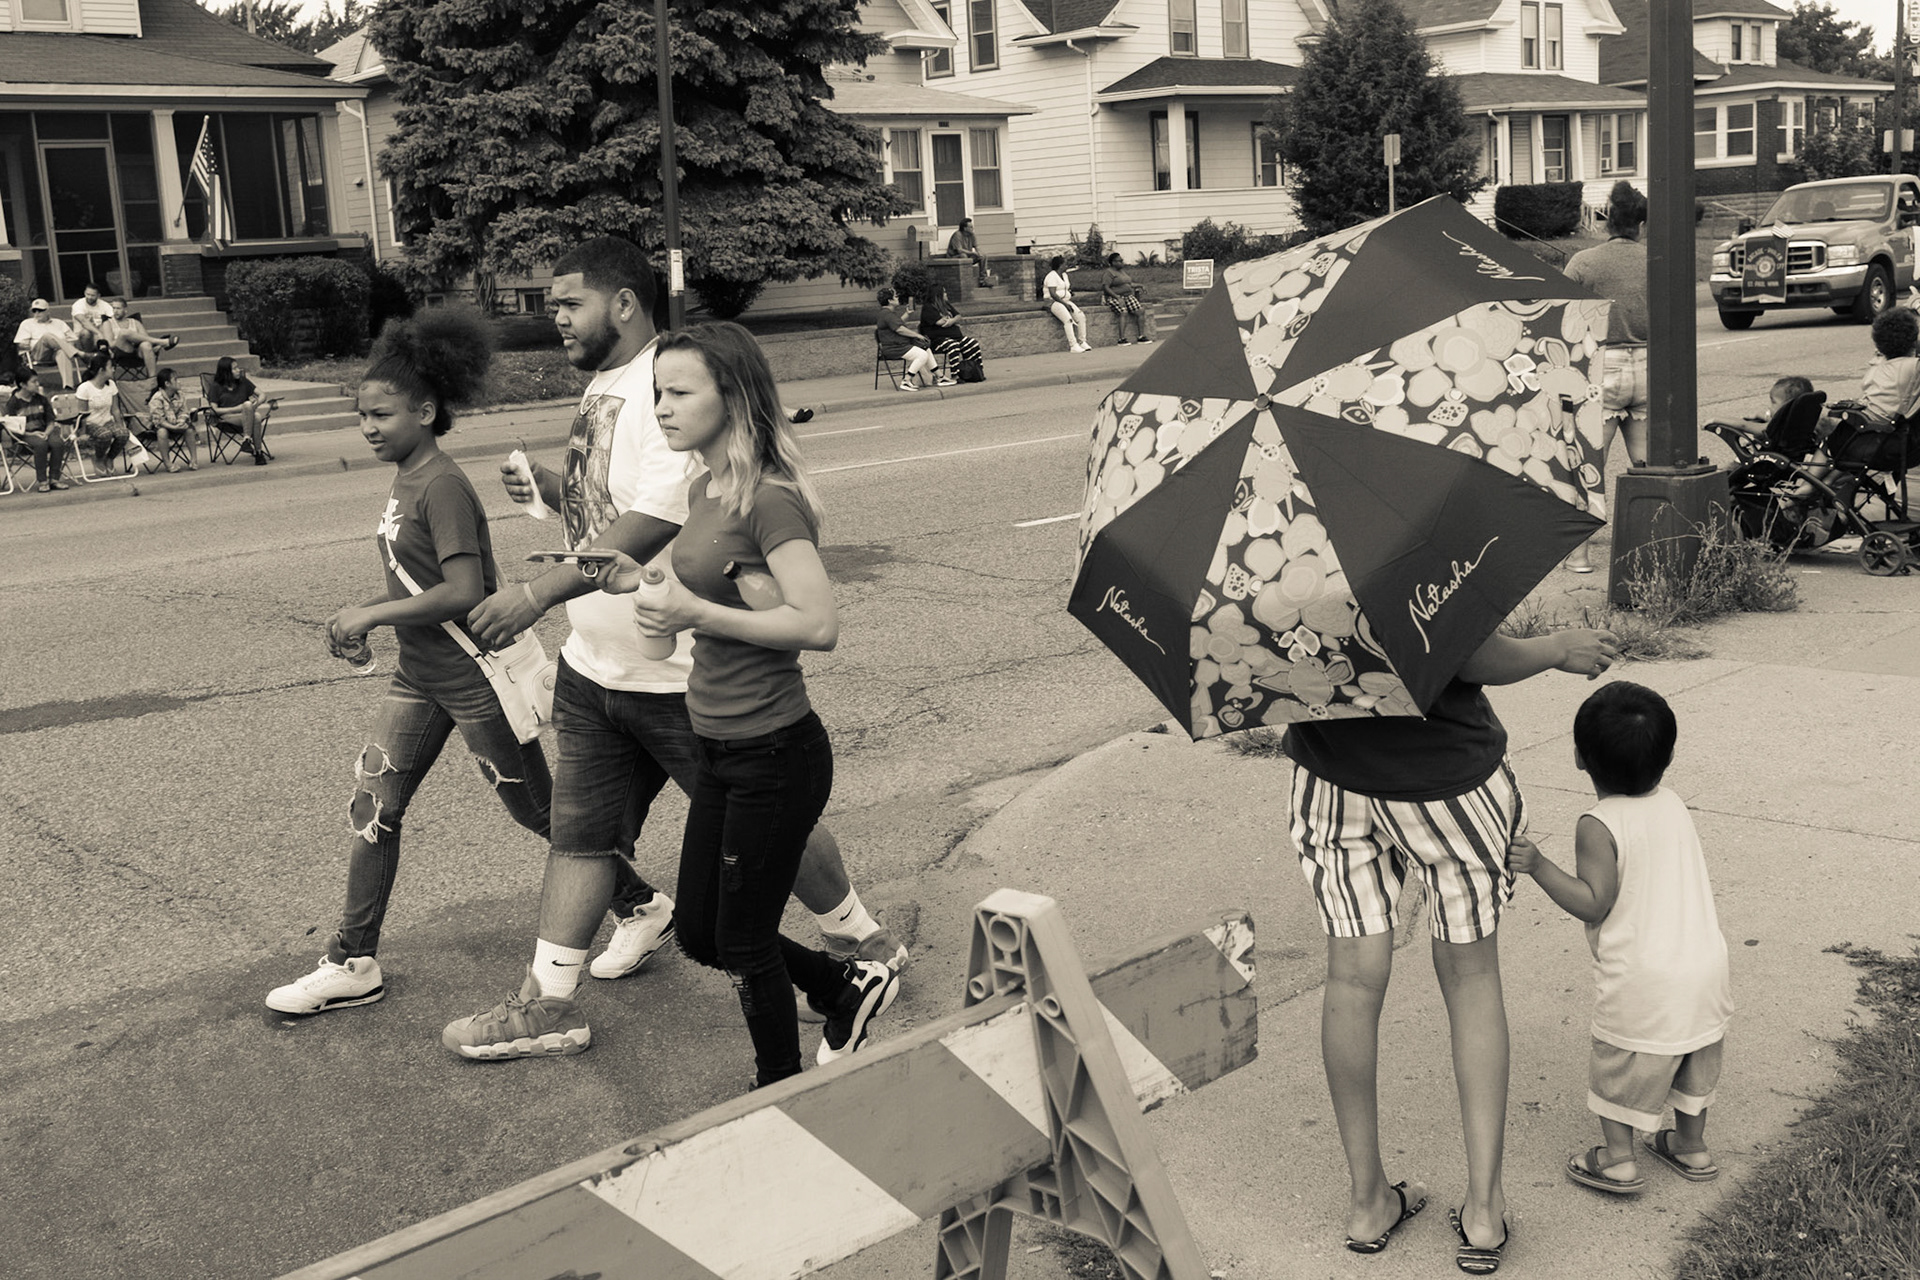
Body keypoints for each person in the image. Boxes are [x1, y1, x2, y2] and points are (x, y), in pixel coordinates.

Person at [441, 236, 905, 1062]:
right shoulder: (620, 396)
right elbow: (637, 518)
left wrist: (542, 596)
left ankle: (854, 957)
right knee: (589, 839)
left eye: (569, 301)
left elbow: (721, 561)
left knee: (757, 868)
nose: (555, 317)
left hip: (691, 688)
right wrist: (555, 495)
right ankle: (547, 1002)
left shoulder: (726, 449)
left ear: (624, 303)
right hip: (599, 663)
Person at [601, 321, 901, 1087]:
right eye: (657, 392)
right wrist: (642, 586)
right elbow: (710, 597)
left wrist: (694, 615)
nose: (662, 407)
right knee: (703, 934)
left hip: (775, 752)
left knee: (744, 939)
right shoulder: (705, 487)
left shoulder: (769, 498)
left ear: (731, 396)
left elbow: (817, 624)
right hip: (721, 746)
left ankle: (781, 1091)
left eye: (679, 392)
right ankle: (844, 987)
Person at [1285, 623, 1621, 1272]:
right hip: (1446, 780)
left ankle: (1367, 1202)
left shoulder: (1264, 544)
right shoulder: (1397, 524)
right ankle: (1485, 1213)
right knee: (1470, 979)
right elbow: (1471, 656)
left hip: (1329, 779)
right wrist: (1555, 650)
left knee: (1352, 979)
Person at [265, 310, 554, 1018]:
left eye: (383, 414)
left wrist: (372, 614)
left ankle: (642, 905)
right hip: (419, 676)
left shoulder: (441, 484)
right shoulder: (406, 476)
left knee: (545, 818)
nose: (368, 427)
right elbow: (418, 582)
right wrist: (364, 614)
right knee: (373, 806)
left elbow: (462, 592)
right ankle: (352, 959)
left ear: (426, 411)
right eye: (361, 414)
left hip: (474, 681)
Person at [1506, 683, 1732, 1197]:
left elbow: (1594, 902)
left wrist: (1539, 866)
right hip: (1704, 967)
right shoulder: (1673, 804)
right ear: (1668, 757)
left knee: (1622, 1063)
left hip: (1644, 978)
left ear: (1580, 759)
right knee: (1693, 1053)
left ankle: (1618, 1159)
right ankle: (1691, 1147)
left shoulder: (1598, 823)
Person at [1562, 181, 1649, 573]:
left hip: (1602, 367)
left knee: (1589, 465)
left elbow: (1566, 318)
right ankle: (1653, 543)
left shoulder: (1584, 262)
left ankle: (1579, 556)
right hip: (1649, 366)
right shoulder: (1656, 260)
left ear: (1606, 220)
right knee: (1647, 464)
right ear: (1640, 224)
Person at [5, 367, 68, 492]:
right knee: (40, 444)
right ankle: (42, 480)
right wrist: (31, 433)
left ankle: (54, 478)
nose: (37, 384)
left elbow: (51, 421)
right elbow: (12, 427)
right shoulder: (13, 403)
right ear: (23, 384)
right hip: (23, 435)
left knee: (58, 442)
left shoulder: (41, 399)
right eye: (34, 382)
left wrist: (46, 432)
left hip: (44, 431)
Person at [207, 355, 273, 465]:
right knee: (252, 411)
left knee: (255, 414)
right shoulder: (216, 386)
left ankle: (249, 442)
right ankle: (258, 452)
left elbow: (262, 395)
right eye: (235, 368)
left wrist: (255, 405)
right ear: (226, 372)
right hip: (227, 419)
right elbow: (214, 410)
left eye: (238, 367)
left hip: (246, 415)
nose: (239, 370)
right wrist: (236, 409)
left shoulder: (243, 382)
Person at [874, 286, 943, 391]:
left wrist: (907, 313)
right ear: (890, 301)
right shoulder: (886, 314)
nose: (898, 298)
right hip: (894, 348)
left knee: (925, 348)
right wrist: (917, 335)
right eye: (895, 296)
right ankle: (906, 380)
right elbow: (900, 329)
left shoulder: (887, 314)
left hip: (899, 346)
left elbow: (897, 323)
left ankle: (940, 377)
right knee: (922, 354)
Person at [73, 352, 129, 474]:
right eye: (110, 367)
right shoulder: (85, 388)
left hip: (106, 421)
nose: (113, 369)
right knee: (105, 435)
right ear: (101, 370)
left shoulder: (111, 385)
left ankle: (110, 458)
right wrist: (82, 433)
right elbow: (82, 414)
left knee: (123, 433)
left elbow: (115, 409)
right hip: (90, 424)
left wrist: (120, 425)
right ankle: (98, 458)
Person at [919, 282, 985, 381]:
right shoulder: (928, 308)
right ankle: (956, 375)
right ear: (938, 294)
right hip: (937, 341)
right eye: (944, 292)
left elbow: (958, 316)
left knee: (972, 343)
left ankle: (974, 372)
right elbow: (940, 322)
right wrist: (951, 321)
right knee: (953, 345)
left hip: (955, 337)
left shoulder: (946, 305)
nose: (946, 294)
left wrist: (951, 321)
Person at [13, 299, 80, 390]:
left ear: (48, 311)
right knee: (47, 336)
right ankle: (79, 354)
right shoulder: (27, 324)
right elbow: (20, 344)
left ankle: (68, 386)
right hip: (38, 353)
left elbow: (72, 339)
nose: (37, 313)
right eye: (34, 311)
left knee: (63, 352)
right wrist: (29, 345)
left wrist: (67, 345)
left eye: (40, 310)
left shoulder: (59, 323)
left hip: (55, 354)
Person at [106, 299, 179, 379]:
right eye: (114, 308)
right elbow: (110, 344)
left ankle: (152, 380)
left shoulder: (135, 322)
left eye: (118, 308)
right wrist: (125, 337)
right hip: (120, 353)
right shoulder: (108, 323)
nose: (115, 311)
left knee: (146, 345)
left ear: (125, 310)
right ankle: (160, 342)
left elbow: (147, 339)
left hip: (137, 353)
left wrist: (134, 339)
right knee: (124, 333)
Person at [147, 367, 197, 472]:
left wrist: (181, 422)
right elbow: (158, 419)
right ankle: (168, 463)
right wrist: (172, 427)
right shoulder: (157, 398)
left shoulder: (180, 395)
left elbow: (184, 411)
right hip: (163, 426)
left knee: (189, 429)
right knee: (162, 432)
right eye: (176, 379)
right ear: (167, 384)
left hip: (177, 423)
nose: (179, 381)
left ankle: (193, 459)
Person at [1100, 253, 1156, 345]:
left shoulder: (1122, 271)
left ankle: (1141, 336)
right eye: (1120, 261)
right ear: (1113, 262)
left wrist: (1140, 285)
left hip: (1128, 296)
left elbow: (1128, 284)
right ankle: (1121, 339)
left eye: (1122, 260)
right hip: (1114, 296)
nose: (1122, 262)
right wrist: (1117, 297)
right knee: (1123, 312)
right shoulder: (1109, 273)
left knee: (1140, 311)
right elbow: (1106, 287)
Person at [1043, 256, 1090, 353]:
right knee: (1068, 320)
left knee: (1081, 316)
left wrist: (1068, 293)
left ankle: (1082, 342)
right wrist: (1064, 304)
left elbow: (1065, 288)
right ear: (1060, 265)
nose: (1067, 265)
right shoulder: (1051, 276)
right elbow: (1053, 294)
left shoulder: (1064, 275)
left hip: (1065, 300)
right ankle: (1073, 345)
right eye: (1065, 263)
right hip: (1053, 302)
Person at [70, 284, 114, 353]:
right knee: (87, 332)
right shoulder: (78, 305)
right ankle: (89, 356)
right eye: (88, 294)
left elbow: (113, 321)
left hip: (101, 338)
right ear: (84, 293)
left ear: (98, 295)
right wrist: (99, 333)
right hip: (82, 339)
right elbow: (83, 321)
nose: (89, 297)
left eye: (93, 295)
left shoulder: (105, 306)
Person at [946, 217, 988, 284]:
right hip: (954, 257)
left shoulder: (972, 235)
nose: (972, 228)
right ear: (965, 228)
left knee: (983, 256)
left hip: (968, 257)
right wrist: (973, 253)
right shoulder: (957, 235)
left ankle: (983, 279)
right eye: (970, 227)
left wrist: (979, 253)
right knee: (963, 256)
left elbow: (977, 246)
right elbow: (959, 250)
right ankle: (966, 279)